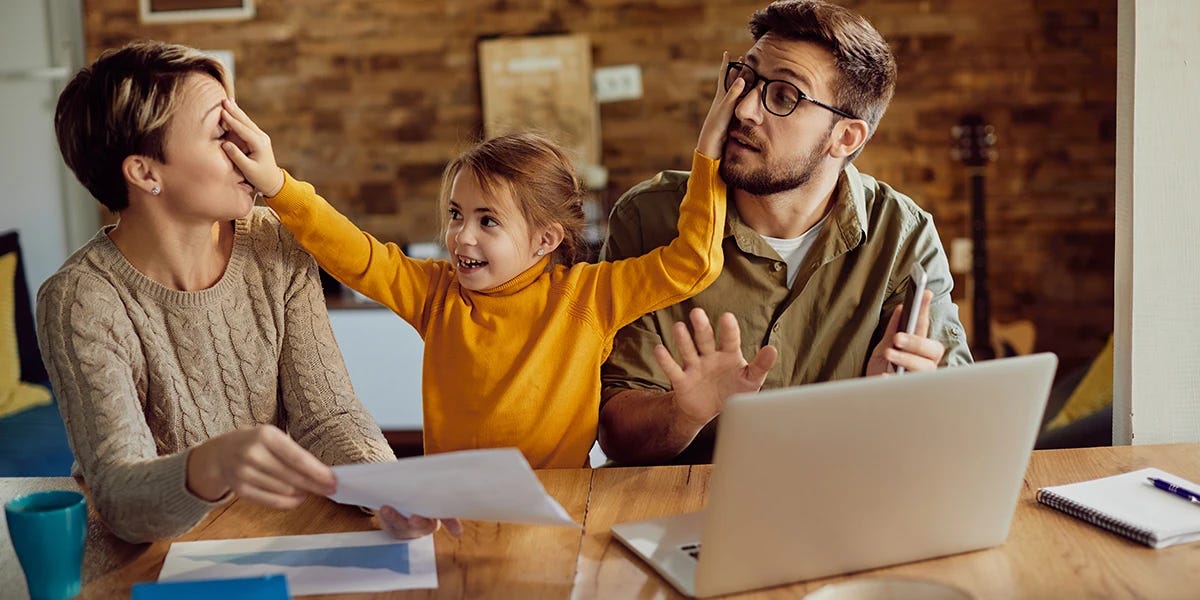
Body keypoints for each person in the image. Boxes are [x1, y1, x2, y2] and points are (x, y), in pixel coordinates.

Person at [217, 55, 746, 469]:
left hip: (559, 511)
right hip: (456, 514)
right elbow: (356, 254)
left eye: (487, 221)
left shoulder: (589, 296)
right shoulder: (436, 294)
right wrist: (277, 186)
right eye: (455, 214)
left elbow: (693, 262)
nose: (460, 236)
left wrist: (708, 155)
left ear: (544, 240)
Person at [39, 40, 457, 543]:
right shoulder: (79, 300)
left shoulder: (273, 241)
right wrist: (209, 466)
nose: (254, 146)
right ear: (146, 173)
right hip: (154, 558)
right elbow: (120, 500)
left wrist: (384, 485)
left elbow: (328, 416)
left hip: (275, 532)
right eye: (222, 131)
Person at [599, 0, 974, 466]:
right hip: (681, 509)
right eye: (745, 79)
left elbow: (958, 426)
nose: (745, 109)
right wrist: (683, 413)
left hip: (840, 503)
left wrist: (899, 403)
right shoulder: (647, 219)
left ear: (846, 137)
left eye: (784, 96)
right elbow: (615, 431)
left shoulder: (903, 235)